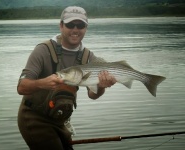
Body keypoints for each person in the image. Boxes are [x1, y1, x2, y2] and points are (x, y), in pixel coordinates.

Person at [17, 6, 116, 150]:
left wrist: (101, 86)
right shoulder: (43, 50)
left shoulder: (89, 57)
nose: (75, 30)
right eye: (70, 24)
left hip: (61, 120)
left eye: (80, 25)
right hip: (34, 118)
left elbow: (93, 95)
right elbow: (21, 87)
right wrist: (43, 83)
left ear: (86, 28)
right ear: (61, 25)